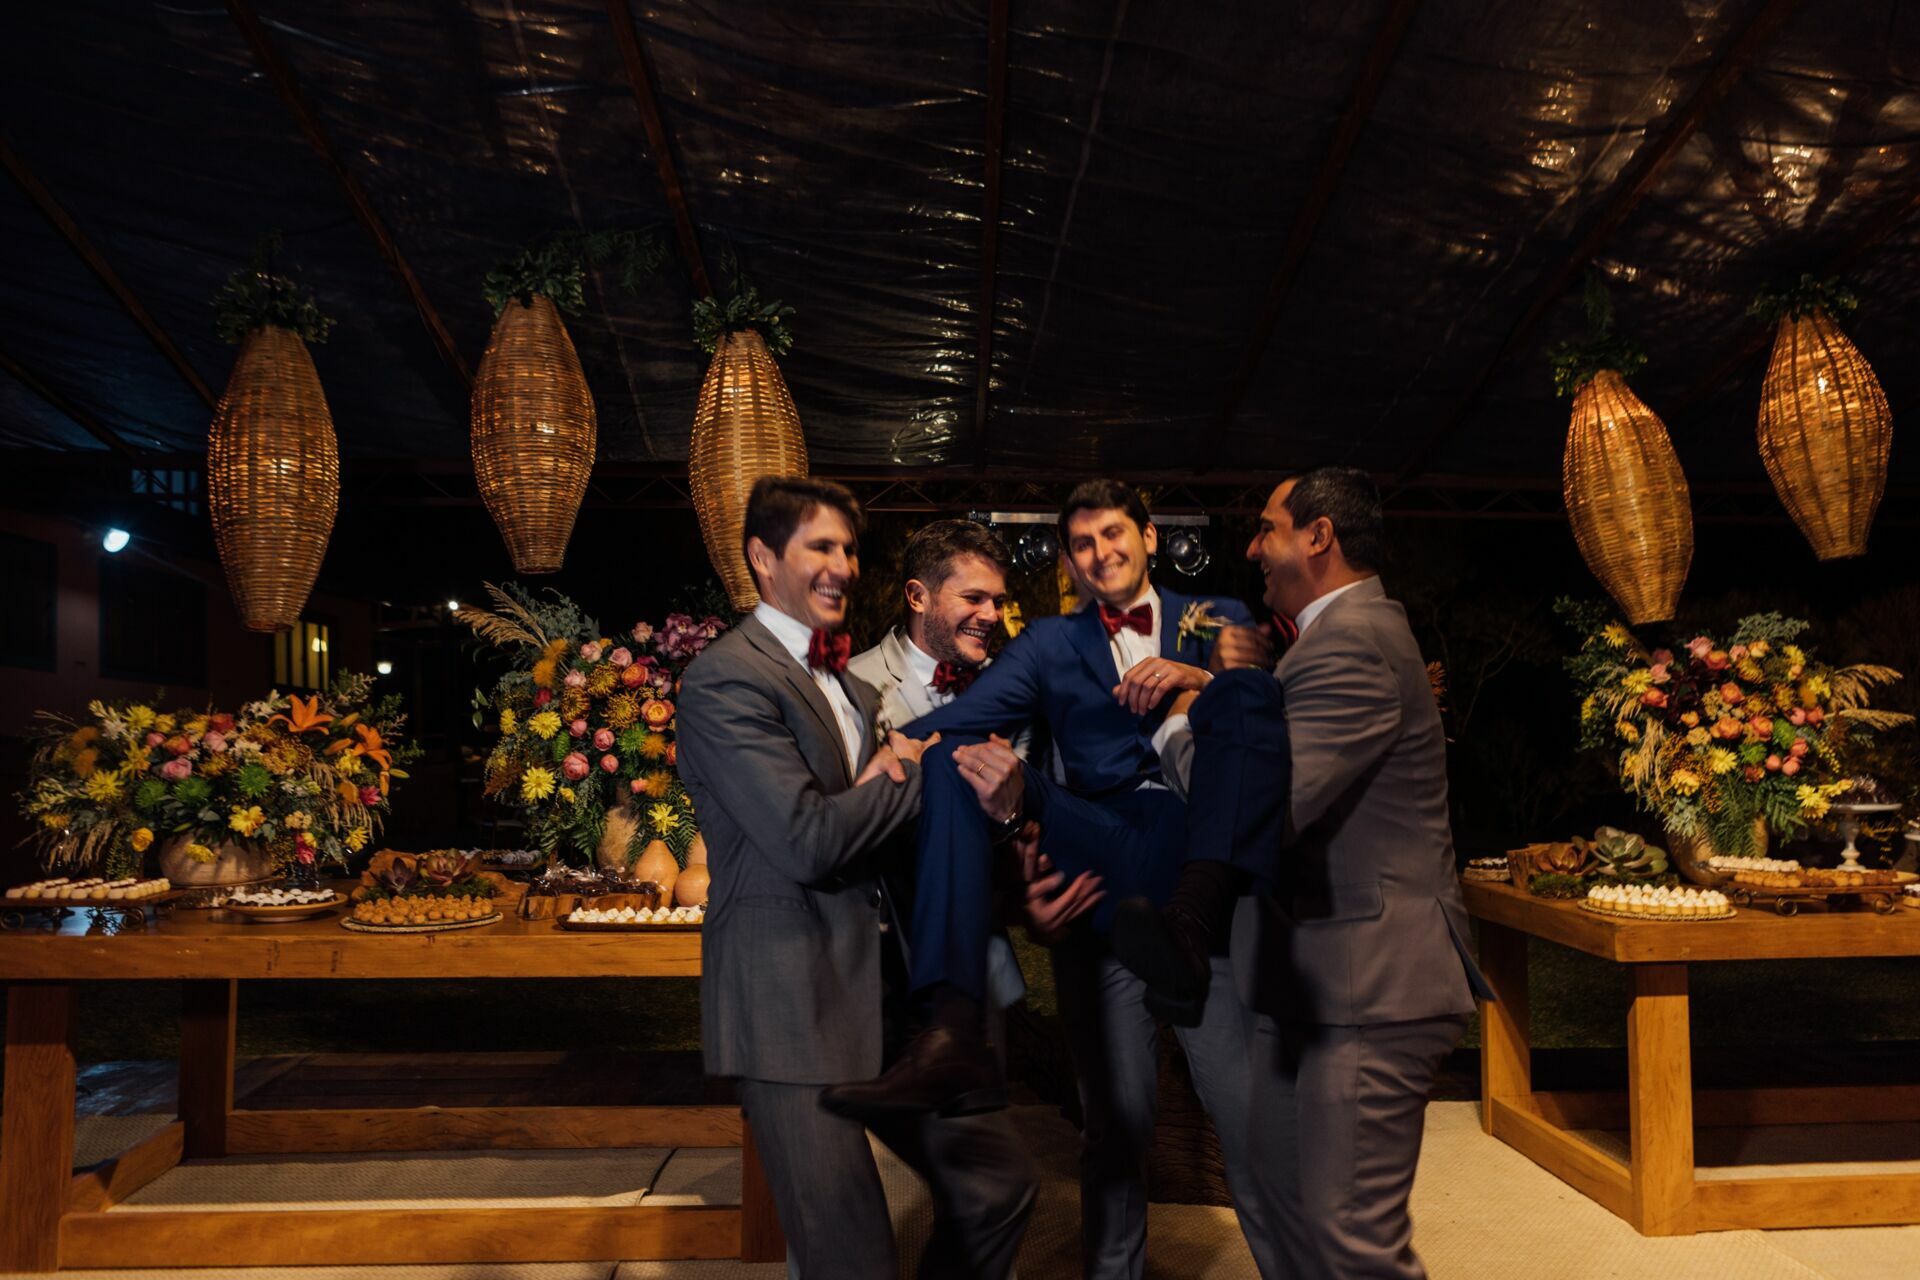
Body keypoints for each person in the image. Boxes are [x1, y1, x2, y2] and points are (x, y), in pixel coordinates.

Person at [825, 480, 1286, 1279]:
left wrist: (1195, 678)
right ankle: (956, 1030)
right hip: (1103, 866)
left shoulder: (1219, 617)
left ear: (1148, 535)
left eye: (1114, 535)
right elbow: (959, 723)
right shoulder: (1042, 643)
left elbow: (1266, 718)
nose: (1100, 554)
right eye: (1081, 544)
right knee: (1114, 1123)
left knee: (1244, 1115)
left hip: (1197, 888)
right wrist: (897, 749)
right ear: (1068, 561)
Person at [1119, 466, 1490, 1280]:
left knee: (1349, 1242)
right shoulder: (1333, 640)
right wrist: (1216, 689)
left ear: (1319, 536)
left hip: (1367, 983)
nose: (1252, 548)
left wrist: (1180, 729)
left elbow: (1272, 805)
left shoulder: (1352, 639)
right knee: (1293, 1214)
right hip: (1318, 982)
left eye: (1267, 529)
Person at [677, 477, 1036, 1280]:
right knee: (851, 1257)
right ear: (763, 559)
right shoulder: (726, 679)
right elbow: (805, 839)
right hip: (791, 1003)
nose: (842, 564)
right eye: (820, 546)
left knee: (998, 1189)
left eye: (847, 547)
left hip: (886, 989)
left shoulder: (849, 683)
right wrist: (908, 770)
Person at [845, 518, 1103, 1017]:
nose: (992, 615)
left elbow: (1029, 812)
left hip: (983, 956)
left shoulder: (1019, 688)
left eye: (999, 602)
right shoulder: (853, 685)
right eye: (974, 599)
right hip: (876, 956)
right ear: (918, 597)